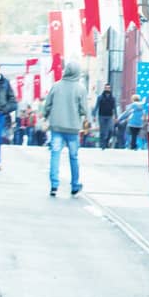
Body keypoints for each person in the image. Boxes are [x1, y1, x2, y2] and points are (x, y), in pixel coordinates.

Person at [43, 61, 88, 196]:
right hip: (73, 128)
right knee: (73, 157)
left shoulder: (56, 86)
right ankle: (75, 185)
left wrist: (46, 115)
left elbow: (47, 105)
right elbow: (84, 109)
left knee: (55, 154)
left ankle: (54, 185)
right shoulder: (81, 88)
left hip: (56, 126)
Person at [95, 85, 117, 149]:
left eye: (108, 88)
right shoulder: (100, 97)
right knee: (102, 131)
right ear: (104, 88)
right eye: (106, 88)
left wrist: (116, 116)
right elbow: (97, 106)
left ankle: (106, 141)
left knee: (111, 129)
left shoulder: (112, 98)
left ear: (110, 89)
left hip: (110, 116)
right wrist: (94, 115)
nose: (107, 89)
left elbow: (114, 107)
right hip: (101, 115)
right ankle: (102, 144)